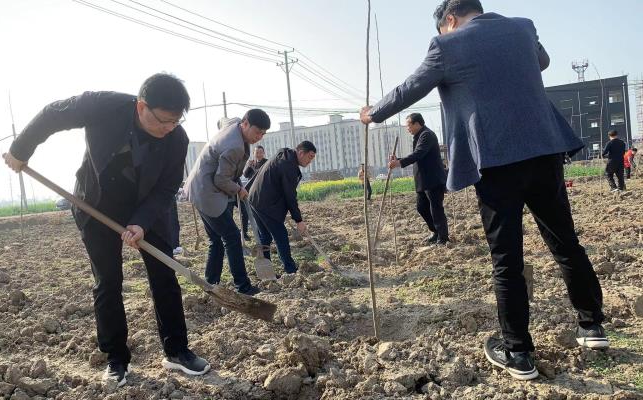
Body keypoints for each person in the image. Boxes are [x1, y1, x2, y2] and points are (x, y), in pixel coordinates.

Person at [360, 0, 607, 381]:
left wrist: (372, 113)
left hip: (495, 161)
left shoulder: (446, 45)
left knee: (506, 258)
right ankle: (592, 327)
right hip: (544, 152)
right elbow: (540, 62)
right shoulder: (523, 27)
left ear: (450, 21)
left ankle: (519, 352)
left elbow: (409, 88)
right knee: (565, 242)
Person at [3, 73, 210, 386]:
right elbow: (52, 114)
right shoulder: (103, 106)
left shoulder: (176, 139)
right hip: (96, 205)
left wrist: (141, 222)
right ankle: (116, 358)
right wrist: (21, 150)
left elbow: (167, 187)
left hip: (147, 208)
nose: (170, 129)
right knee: (108, 281)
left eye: (176, 122)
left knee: (165, 276)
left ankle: (177, 350)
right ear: (142, 106)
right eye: (165, 121)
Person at [184, 109, 270, 295]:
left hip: (198, 186)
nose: (259, 137)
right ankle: (243, 286)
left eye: (263, 134)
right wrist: (239, 189)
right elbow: (220, 180)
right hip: (208, 192)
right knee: (231, 237)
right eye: (257, 132)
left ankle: (210, 283)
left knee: (216, 239)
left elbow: (222, 121)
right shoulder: (234, 147)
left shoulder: (234, 123)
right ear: (245, 124)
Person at [248, 141, 316, 274]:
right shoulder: (288, 166)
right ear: (301, 153)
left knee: (265, 236)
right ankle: (290, 269)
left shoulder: (284, 154)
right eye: (310, 157)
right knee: (281, 236)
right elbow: (290, 195)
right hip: (265, 203)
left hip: (255, 198)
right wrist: (299, 220)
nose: (310, 161)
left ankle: (266, 269)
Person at [388, 113, 449, 245]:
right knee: (422, 207)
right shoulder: (419, 136)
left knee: (436, 209)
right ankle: (435, 231)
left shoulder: (427, 135)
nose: (407, 128)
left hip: (432, 179)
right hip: (423, 181)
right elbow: (416, 155)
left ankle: (443, 238)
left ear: (417, 124)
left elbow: (419, 154)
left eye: (408, 125)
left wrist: (399, 163)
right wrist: (398, 160)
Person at [239, 145, 268, 240]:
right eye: (256, 152)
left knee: (262, 213)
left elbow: (264, 176)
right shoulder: (252, 163)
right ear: (254, 153)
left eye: (260, 152)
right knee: (249, 212)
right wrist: (248, 166)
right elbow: (246, 175)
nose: (258, 154)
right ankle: (246, 233)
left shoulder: (267, 163)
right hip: (251, 192)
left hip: (263, 192)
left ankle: (264, 232)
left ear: (263, 153)